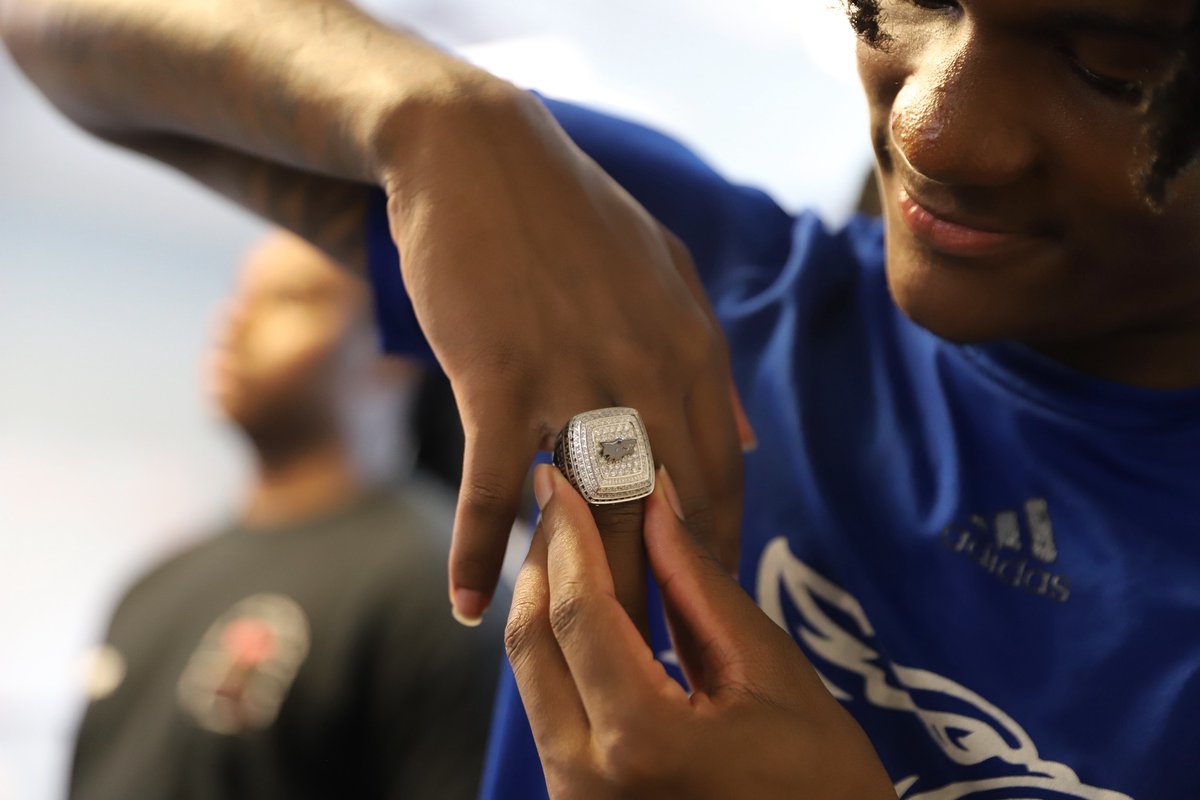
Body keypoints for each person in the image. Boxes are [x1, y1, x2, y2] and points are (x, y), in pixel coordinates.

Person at [4, 0, 1200, 797]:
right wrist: (431, 115)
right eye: (913, 1)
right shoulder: (680, 277)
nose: (934, 125)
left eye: (1111, 68)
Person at [68, 230, 506, 800]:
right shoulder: (151, 585)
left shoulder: (439, 588)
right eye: (239, 292)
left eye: (290, 299)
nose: (234, 320)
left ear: (396, 356)